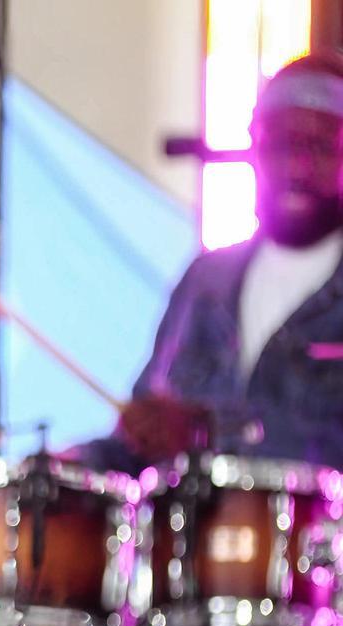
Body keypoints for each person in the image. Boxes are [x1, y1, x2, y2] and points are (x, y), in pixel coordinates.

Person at [80, 51, 343, 473]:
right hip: (180, 537)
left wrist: (207, 430)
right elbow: (143, 438)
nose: (298, 165)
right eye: (282, 144)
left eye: (320, 146)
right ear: (255, 149)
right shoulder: (205, 279)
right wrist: (69, 467)